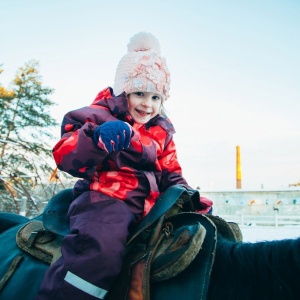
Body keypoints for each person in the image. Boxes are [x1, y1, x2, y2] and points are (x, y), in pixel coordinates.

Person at [37, 32, 212, 300]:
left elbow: (172, 173)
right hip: (103, 201)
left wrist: (189, 198)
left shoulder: (162, 133)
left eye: (156, 97)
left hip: (149, 209)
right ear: (123, 91)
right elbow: (65, 154)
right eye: (139, 93)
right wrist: (95, 139)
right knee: (100, 251)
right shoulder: (96, 116)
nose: (147, 104)